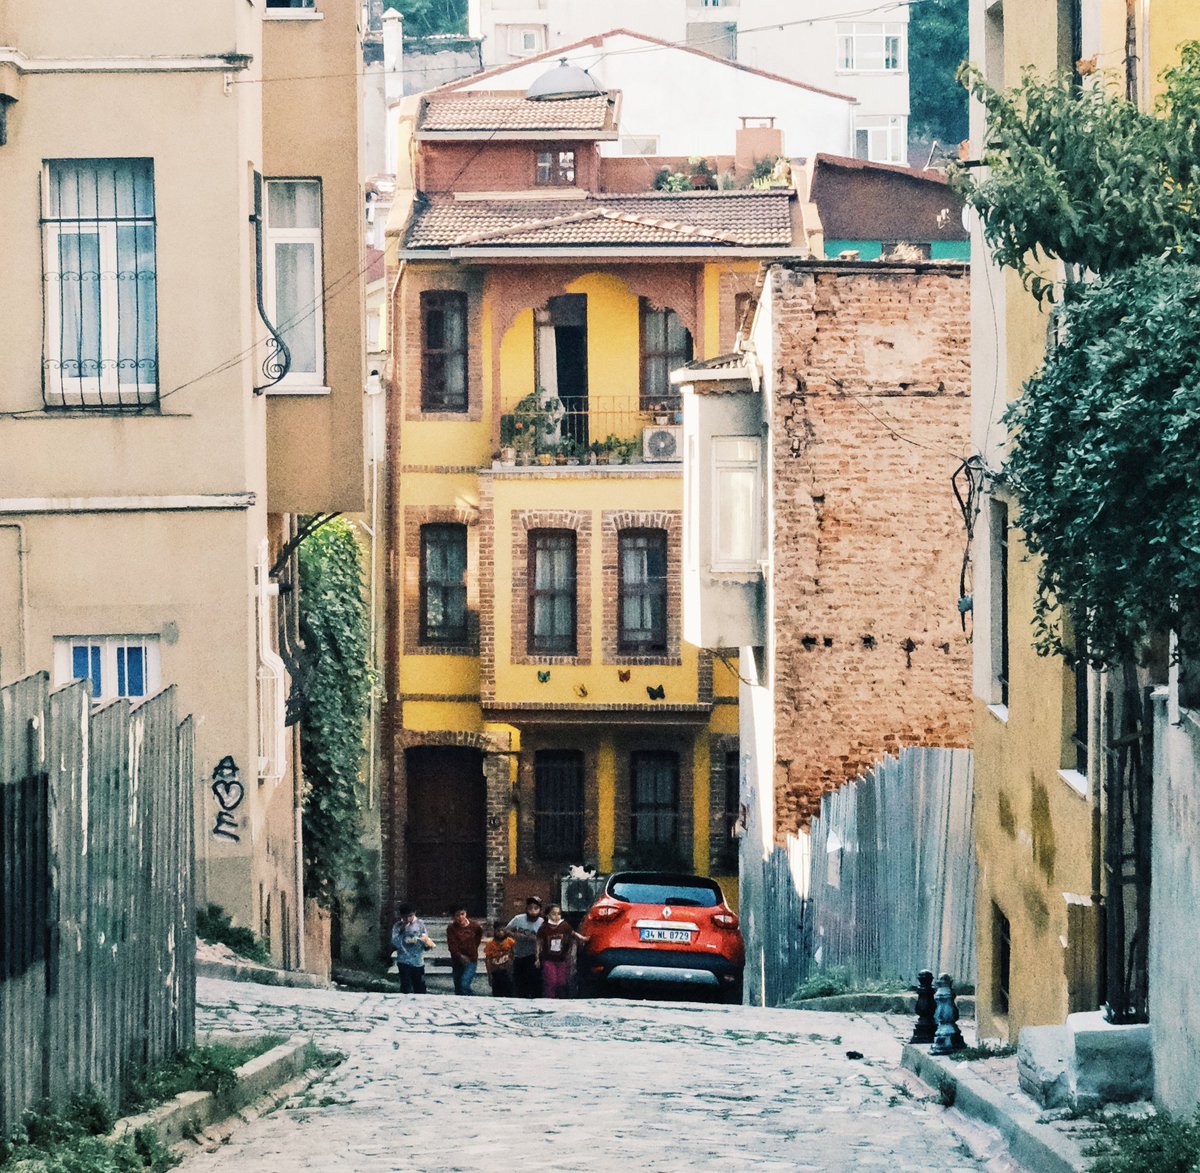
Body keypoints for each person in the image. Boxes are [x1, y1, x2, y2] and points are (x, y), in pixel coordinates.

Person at [536, 903, 588, 999]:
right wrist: (537, 957)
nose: (556, 917)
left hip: (561, 959)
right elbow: (539, 942)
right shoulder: (544, 928)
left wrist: (582, 938)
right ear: (548, 915)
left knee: (561, 982)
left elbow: (573, 933)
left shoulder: (564, 925)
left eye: (558, 914)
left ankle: (560, 1000)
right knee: (551, 981)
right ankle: (549, 999)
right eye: (553, 914)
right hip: (548, 959)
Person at [505, 896, 545, 998]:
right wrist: (517, 935)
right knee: (519, 983)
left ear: (540, 910)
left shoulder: (542, 922)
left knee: (534, 982)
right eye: (530, 908)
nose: (533, 911)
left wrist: (535, 939)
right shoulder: (518, 919)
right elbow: (506, 930)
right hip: (519, 955)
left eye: (536, 909)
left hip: (534, 955)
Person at [390, 903, 434, 994]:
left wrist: (427, 944)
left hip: (417, 960)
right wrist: (402, 930)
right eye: (405, 917)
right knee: (406, 985)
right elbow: (395, 942)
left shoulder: (420, 924)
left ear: (414, 914)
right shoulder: (397, 926)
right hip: (404, 959)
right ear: (401, 916)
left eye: (410, 916)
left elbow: (425, 938)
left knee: (420, 986)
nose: (408, 919)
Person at [446, 904, 484, 996]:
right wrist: (459, 956)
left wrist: (472, 949)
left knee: (464, 984)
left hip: (471, 959)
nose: (460, 917)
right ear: (453, 917)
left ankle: (473, 1000)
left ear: (466, 914)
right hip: (457, 960)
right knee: (458, 987)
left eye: (462, 914)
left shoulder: (475, 926)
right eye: (457, 915)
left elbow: (478, 938)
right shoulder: (451, 928)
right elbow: (452, 945)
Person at [483, 920, 515, 997]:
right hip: (496, 972)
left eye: (503, 930)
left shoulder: (510, 942)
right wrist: (489, 975)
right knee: (497, 994)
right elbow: (488, 960)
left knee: (509, 993)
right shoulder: (490, 944)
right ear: (494, 931)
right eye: (498, 930)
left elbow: (514, 955)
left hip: (508, 971)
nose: (501, 933)